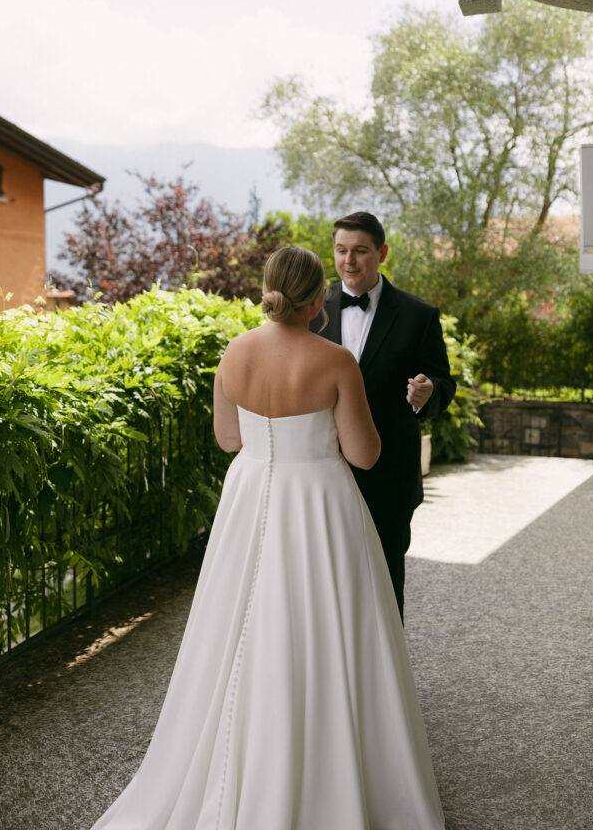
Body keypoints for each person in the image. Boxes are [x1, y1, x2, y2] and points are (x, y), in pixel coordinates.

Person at [90, 246, 444, 830]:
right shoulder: (335, 362)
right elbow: (364, 453)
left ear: (270, 289)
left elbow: (228, 439)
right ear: (316, 298)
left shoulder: (234, 352)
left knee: (235, 627)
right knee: (324, 630)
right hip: (320, 506)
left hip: (250, 497)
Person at [311, 212, 456, 620]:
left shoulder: (418, 315)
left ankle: (386, 680)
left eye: (360, 251)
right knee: (324, 577)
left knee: (385, 576)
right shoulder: (310, 309)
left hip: (389, 473)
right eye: (341, 251)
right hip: (321, 470)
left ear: (382, 253)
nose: (349, 261)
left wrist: (427, 394)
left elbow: (444, 384)